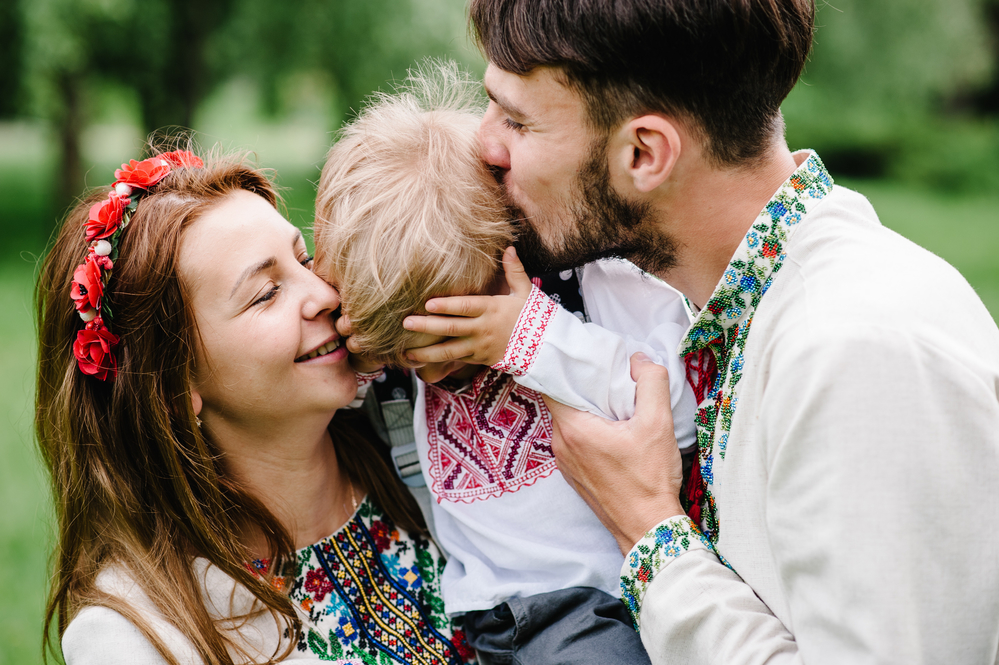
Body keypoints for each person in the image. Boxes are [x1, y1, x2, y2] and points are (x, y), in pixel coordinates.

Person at [403, 0, 999, 662]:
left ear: (644, 153)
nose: (485, 145)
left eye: (515, 119)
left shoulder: (857, 352)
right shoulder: (742, 311)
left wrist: (646, 528)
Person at [313, 63, 696, 664]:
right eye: (412, 358)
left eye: (452, 339)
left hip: (591, 602)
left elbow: (681, 403)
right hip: (481, 616)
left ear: (508, 248)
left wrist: (531, 339)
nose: (433, 377)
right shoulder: (399, 374)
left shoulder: (584, 291)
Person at [36, 147, 476, 664]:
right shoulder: (139, 637)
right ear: (173, 390)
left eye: (306, 258)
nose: (324, 295)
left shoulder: (426, 415)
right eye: (266, 293)